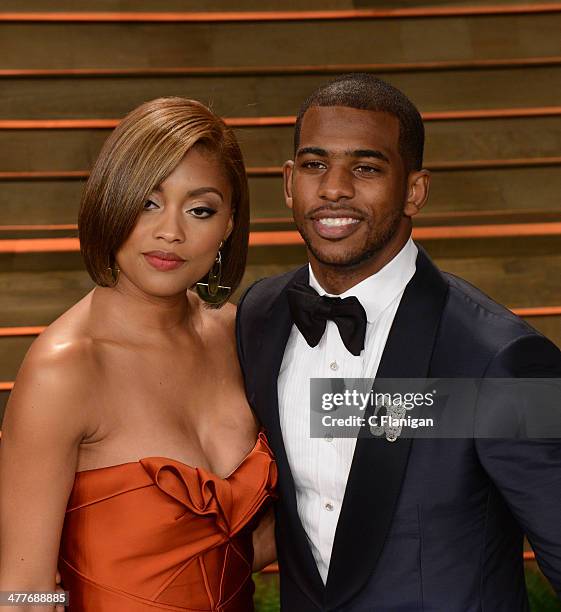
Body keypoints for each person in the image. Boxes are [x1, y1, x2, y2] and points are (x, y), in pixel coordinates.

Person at [235, 74, 561, 610]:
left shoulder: (502, 359)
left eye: (366, 168)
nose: (335, 187)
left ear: (414, 190)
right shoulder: (259, 317)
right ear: (290, 182)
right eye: (316, 165)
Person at [0, 97, 277, 611]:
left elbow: (233, 546)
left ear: (229, 225)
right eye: (148, 202)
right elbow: (21, 592)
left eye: (200, 210)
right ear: (110, 201)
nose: (170, 231)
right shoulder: (66, 368)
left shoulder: (239, 334)